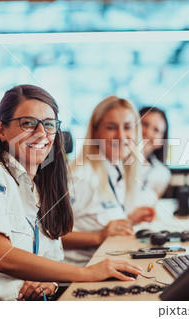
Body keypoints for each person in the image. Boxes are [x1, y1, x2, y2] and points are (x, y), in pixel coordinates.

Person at [0, 85, 142, 301]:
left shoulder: (38, 187)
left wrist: (49, 282)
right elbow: (0, 256)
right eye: (28, 123)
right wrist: (86, 274)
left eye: (49, 125)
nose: (41, 133)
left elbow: (50, 258)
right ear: (1, 130)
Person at [62, 95, 155, 266]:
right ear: (96, 132)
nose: (121, 136)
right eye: (111, 127)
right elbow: (50, 237)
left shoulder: (117, 169)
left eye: (128, 127)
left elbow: (95, 217)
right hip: (77, 276)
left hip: (109, 265)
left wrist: (129, 220)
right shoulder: (80, 177)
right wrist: (98, 237)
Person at [138, 106, 171, 201]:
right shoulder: (114, 163)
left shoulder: (162, 174)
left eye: (156, 130)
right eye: (144, 124)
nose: (148, 133)